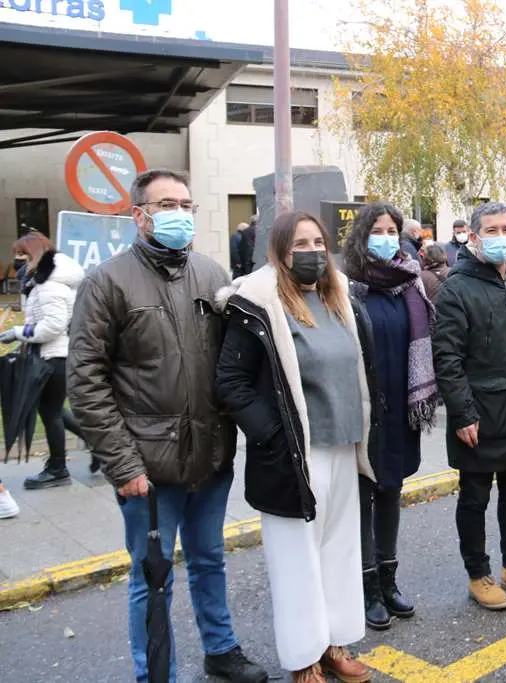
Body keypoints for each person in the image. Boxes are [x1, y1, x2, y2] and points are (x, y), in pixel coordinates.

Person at [67, 169, 268, 683]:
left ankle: (221, 651)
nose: (179, 213)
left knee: (209, 560)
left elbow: (237, 361)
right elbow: (86, 383)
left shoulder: (211, 273)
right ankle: (156, 672)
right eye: (166, 204)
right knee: (151, 578)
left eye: (185, 203)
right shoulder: (106, 282)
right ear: (140, 215)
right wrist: (123, 464)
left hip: (212, 455)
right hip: (148, 469)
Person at [215, 211, 373, 683]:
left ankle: (334, 641)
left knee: (339, 551)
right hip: (293, 458)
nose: (313, 251)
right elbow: (231, 383)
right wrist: (275, 436)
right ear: (281, 251)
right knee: (296, 561)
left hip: (344, 447)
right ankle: (304, 658)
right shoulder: (258, 305)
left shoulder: (336, 298)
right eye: (301, 243)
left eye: (319, 242)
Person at [432, 201, 506, 611]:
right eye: (492, 229)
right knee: (475, 498)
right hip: (479, 414)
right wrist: (463, 413)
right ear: (474, 236)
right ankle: (478, 573)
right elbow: (447, 358)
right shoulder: (456, 289)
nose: (502, 236)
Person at [342, 201, 439, 631]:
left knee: (391, 494)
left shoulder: (410, 285)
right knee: (363, 498)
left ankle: (388, 578)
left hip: (401, 408)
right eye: (376, 229)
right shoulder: (344, 286)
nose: (385, 237)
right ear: (361, 235)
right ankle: (366, 588)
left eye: (391, 230)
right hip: (362, 413)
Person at [0, 232, 85, 489]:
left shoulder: (49, 286)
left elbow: (53, 326)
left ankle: (58, 468)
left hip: (54, 356)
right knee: (53, 410)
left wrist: (17, 333)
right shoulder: (43, 283)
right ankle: (92, 446)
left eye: (21, 257)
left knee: (51, 413)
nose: (17, 264)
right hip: (53, 355)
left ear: (35, 255)